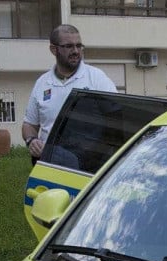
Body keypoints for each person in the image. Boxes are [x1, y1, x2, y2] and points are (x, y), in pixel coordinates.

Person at [22, 24, 117, 169]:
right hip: (49, 162)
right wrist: (31, 140)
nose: (76, 51)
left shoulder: (97, 78)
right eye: (69, 46)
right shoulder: (42, 83)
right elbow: (29, 124)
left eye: (79, 46)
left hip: (88, 165)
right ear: (54, 49)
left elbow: (116, 119)